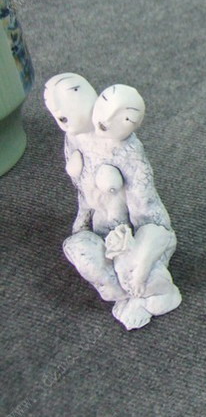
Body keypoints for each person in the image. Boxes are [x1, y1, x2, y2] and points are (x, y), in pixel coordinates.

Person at [44, 76, 181, 329]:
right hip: (103, 233)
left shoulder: (124, 147)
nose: (61, 117)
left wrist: (138, 256)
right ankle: (127, 294)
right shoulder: (74, 139)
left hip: (140, 233)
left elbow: (151, 216)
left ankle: (151, 291)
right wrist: (82, 227)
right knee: (78, 249)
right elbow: (84, 195)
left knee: (132, 272)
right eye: (57, 114)